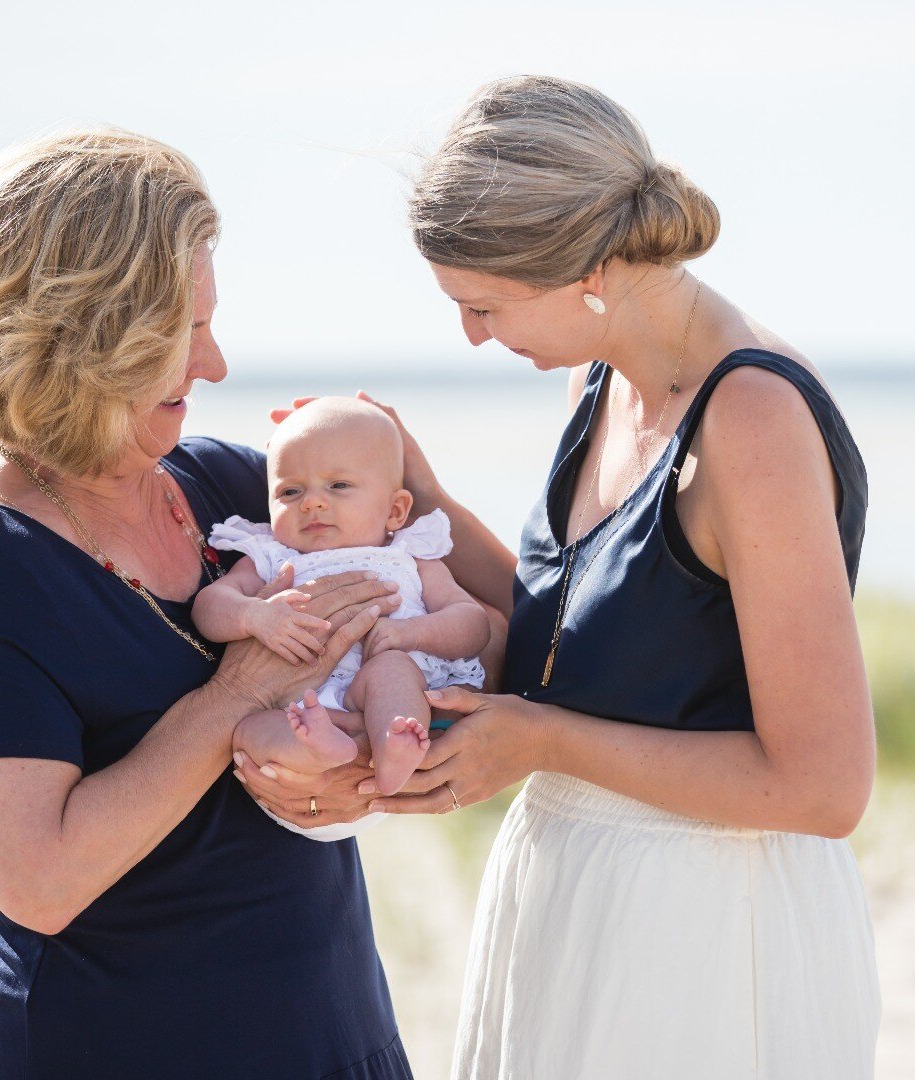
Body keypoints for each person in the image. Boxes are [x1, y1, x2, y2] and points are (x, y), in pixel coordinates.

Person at [240, 77, 880, 1078]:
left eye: (485, 305)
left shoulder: (748, 418)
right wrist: (419, 494)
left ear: (584, 264)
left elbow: (825, 786)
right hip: (573, 898)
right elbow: (569, 630)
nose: (473, 337)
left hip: (705, 925)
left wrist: (539, 740)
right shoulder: (607, 379)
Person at [0, 127, 414, 1079]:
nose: (214, 365)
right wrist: (232, 700)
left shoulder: (228, 487)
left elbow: (479, 611)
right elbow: (40, 883)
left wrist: (390, 450)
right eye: (186, 331)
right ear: (90, 340)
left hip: (329, 1036)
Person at [196, 395, 488, 800]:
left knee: (393, 673)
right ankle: (313, 755)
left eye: (339, 485)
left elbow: (472, 625)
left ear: (396, 510)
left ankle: (393, 747)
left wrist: (411, 633)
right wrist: (255, 616)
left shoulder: (409, 554)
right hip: (292, 704)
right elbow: (210, 606)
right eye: (291, 491)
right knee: (249, 730)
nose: (313, 501)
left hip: (372, 686)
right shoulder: (271, 556)